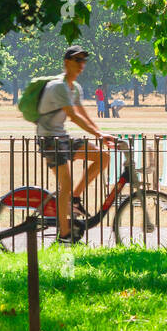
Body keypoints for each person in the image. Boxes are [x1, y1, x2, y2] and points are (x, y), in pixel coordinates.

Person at [34, 45, 116, 243]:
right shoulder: (58, 87)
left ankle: (74, 198)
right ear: (66, 63)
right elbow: (72, 116)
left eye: (83, 61)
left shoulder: (75, 88)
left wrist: (100, 134)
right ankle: (64, 235)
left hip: (61, 137)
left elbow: (82, 112)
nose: (81, 65)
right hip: (49, 140)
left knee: (103, 157)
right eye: (77, 60)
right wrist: (97, 133)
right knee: (65, 185)